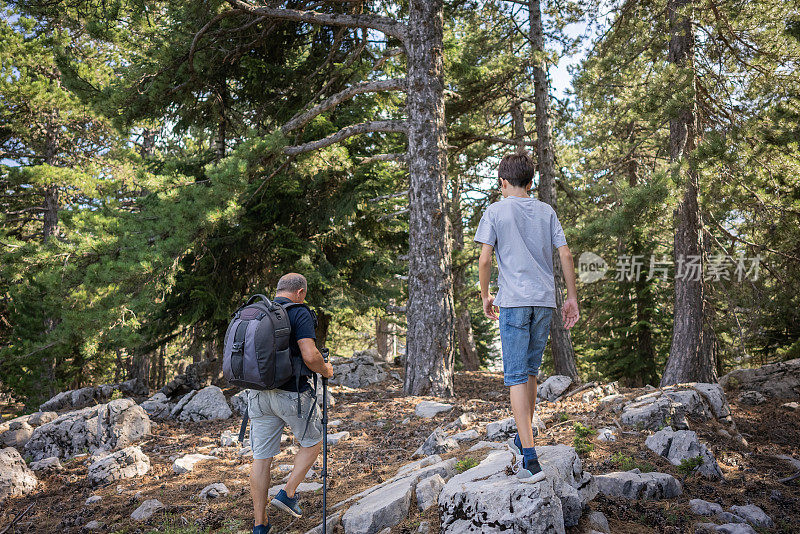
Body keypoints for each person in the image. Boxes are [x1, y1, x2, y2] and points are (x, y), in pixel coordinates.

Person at [474, 151, 580, 481]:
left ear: (503, 182)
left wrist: (485, 296)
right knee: (530, 372)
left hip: (515, 302)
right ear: (531, 182)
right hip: (545, 302)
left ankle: (530, 458)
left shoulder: (495, 210)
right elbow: (565, 253)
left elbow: (484, 260)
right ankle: (522, 440)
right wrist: (572, 297)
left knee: (517, 375)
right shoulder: (546, 211)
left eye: (502, 184)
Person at [247, 273, 334, 534]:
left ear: (278, 290)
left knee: (261, 459)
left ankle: (260, 525)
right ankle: (288, 493)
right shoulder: (299, 312)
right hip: (292, 393)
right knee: (313, 442)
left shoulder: (258, 311)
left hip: (258, 394)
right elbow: (309, 355)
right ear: (300, 293)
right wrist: (325, 370)